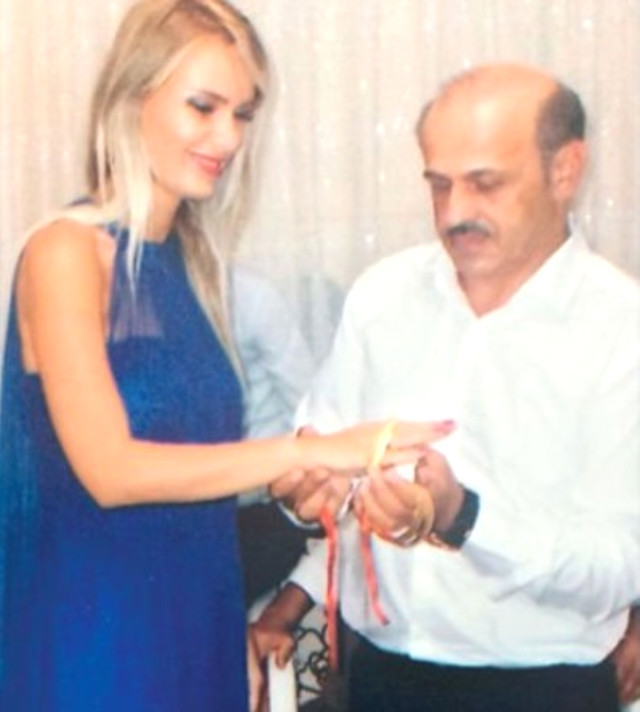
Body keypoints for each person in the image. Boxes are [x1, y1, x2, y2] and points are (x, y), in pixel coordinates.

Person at [0, 2, 452, 710]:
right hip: (98, 637)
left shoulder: (192, 263)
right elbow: (111, 472)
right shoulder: (65, 252)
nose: (229, 137)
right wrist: (311, 450)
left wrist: (237, 613)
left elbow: (201, 475)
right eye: (204, 107)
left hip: (198, 619)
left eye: (242, 114)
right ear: (132, 97)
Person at [270, 63, 640, 712]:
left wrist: (463, 517)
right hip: (379, 678)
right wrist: (309, 494)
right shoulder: (382, 297)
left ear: (565, 171)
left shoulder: (619, 327)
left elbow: (620, 565)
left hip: (541, 688)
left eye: (485, 184)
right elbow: (319, 461)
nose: (454, 212)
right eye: (438, 184)